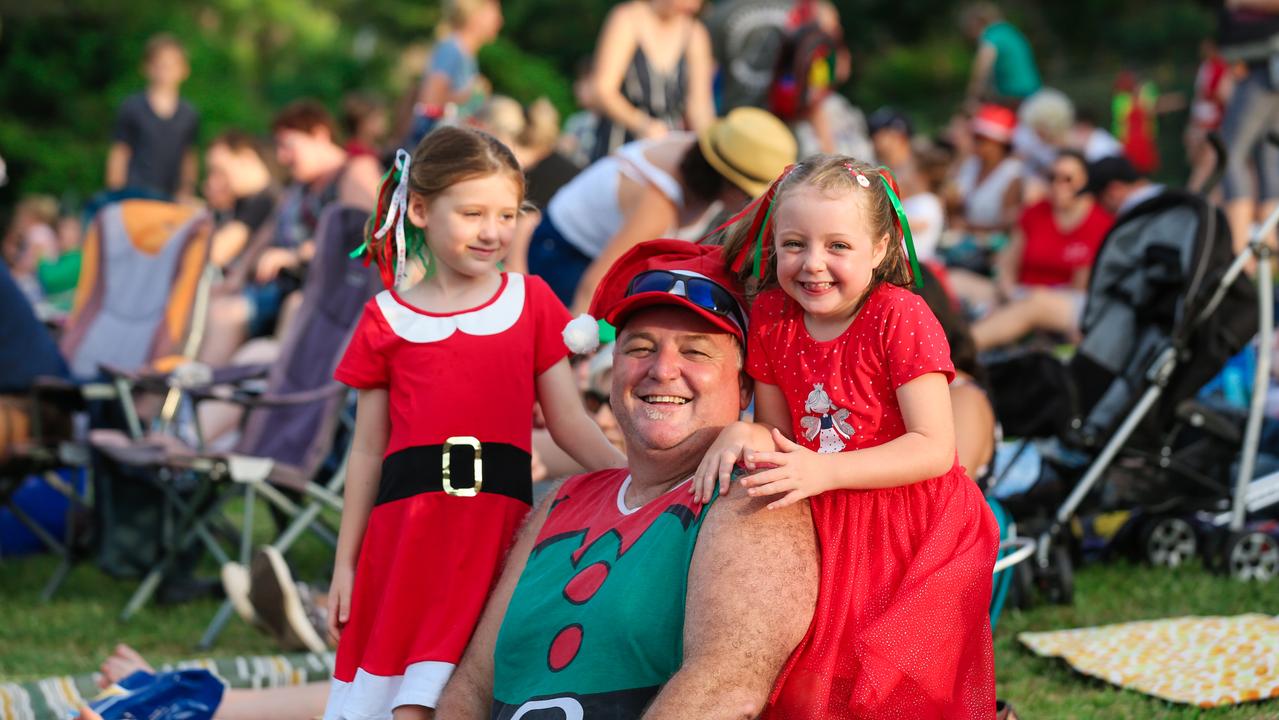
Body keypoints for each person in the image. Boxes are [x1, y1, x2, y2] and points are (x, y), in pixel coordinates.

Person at [435, 239, 819, 718]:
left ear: (743, 385)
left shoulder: (751, 496)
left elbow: (725, 686)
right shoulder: (564, 499)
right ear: (612, 370)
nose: (662, 370)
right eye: (640, 348)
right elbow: (471, 684)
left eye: (696, 352)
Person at [324, 126, 627, 720]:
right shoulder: (385, 319)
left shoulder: (531, 302)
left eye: (507, 214)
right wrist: (345, 562)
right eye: (472, 213)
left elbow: (567, 423)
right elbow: (366, 452)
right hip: (407, 541)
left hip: (497, 537)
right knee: (402, 703)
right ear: (419, 209)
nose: (493, 231)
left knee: (465, 694)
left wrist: (642, 489)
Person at [698, 156, 999, 717]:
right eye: (794, 244)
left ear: (880, 248)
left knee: (892, 690)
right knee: (812, 687)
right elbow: (780, 431)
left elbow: (935, 448)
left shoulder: (899, 316)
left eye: (838, 246)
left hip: (911, 530)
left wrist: (826, 471)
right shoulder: (771, 314)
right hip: (824, 519)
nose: (813, 264)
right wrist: (742, 431)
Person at [527, 106, 797, 310]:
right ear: (729, 183)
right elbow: (593, 286)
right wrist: (577, 353)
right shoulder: (659, 203)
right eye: (750, 195)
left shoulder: (692, 161)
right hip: (560, 255)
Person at [199, 100, 380, 366]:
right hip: (281, 291)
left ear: (319, 134)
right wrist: (236, 278)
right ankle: (190, 396)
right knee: (212, 305)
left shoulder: (354, 172)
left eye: (288, 145)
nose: (282, 157)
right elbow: (267, 232)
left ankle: (204, 395)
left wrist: (296, 255)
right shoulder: (299, 187)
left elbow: (367, 235)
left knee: (229, 314)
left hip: (324, 296)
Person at [969, 150, 1114, 351]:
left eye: (1068, 179)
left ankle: (962, 348)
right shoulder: (1034, 212)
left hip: (1069, 302)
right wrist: (1008, 291)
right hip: (1021, 293)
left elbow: (1082, 285)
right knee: (957, 281)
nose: (1057, 185)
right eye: (1052, 177)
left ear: (1085, 182)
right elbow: (1007, 262)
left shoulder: (1100, 223)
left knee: (1036, 302)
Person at [585, 0, 716, 163]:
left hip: (667, 150)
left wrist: (710, 147)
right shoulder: (628, 19)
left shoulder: (695, 33)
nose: (695, 7)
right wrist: (642, 124)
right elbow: (602, 90)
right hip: (620, 143)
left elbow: (700, 105)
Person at [105, 34, 200, 201]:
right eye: (160, 64)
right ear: (147, 67)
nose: (166, 70)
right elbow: (120, 153)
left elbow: (189, 156)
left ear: (184, 70)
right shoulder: (131, 107)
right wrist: (116, 194)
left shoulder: (189, 114)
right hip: (134, 196)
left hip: (171, 199)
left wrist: (187, 190)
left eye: (172, 64)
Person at [1217, 1, 1279, 255]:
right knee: (1269, 154)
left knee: (1230, 154)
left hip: (1266, 65)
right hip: (1261, 63)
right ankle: (1269, 240)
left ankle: (1240, 243)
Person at [405, 0, 503, 148]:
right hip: (430, 148)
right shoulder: (452, 49)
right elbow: (429, 101)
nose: (500, 21)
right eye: (494, 14)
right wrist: (468, 95)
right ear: (474, 16)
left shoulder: (466, 55)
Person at [949, 103, 1023, 267]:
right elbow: (955, 201)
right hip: (963, 240)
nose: (977, 144)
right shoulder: (970, 164)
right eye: (976, 138)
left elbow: (1008, 223)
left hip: (991, 251)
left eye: (983, 140)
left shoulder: (1012, 174)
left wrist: (969, 226)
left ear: (999, 144)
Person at [202, 130, 278, 270]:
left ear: (246, 157)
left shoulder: (264, 201)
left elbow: (218, 252)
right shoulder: (246, 201)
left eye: (221, 171)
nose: (216, 181)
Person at [961, 2, 1041, 107]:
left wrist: (972, 96)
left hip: (1014, 94)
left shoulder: (991, 35)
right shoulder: (1009, 30)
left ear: (976, 23)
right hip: (1034, 91)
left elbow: (982, 66)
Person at [1186, 37, 1235, 193]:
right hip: (1211, 125)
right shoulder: (1220, 66)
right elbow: (1222, 96)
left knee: (1204, 171)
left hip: (1200, 124)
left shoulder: (1207, 66)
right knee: (1207, 171)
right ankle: (1192, 205)